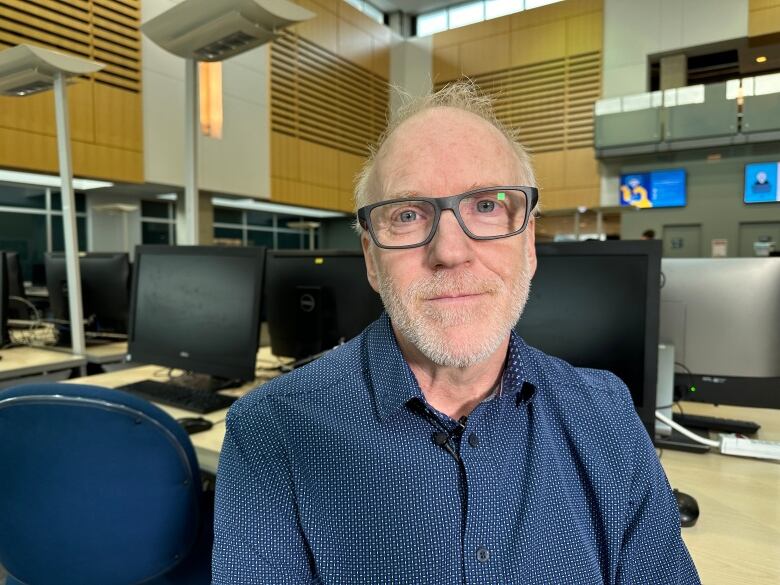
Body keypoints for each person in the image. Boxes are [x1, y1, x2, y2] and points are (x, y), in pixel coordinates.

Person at [212, 82, 700, 584]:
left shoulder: (606, 413)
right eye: (406, 214)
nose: (450, 251)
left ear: (528, 244)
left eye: (486, 206)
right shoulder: (272, 431)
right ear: (371, 261)